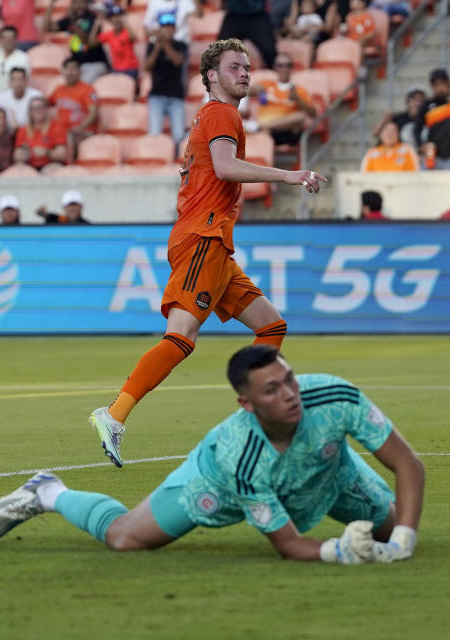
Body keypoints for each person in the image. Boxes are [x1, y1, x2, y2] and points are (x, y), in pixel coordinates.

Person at [87, 38, 327, 468]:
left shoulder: (217, 114)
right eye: (235, 67)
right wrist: (290, 175)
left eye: (247, 67)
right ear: (212, 75)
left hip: (213, 242)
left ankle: (255, 422)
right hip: (203, 237)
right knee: (181, 337)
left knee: (271, 327)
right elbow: (225, 167)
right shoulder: (219, 113)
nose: (245, 73)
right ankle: (114, 414)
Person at [0, 345, 426, 568]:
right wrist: (336, 551)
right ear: (247, 405)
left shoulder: (334, 394)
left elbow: (408, 463)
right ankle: (48, 491)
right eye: (272, 389)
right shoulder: (240, 453)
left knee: (391, 529)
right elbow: (288, 544)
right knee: (125, 538)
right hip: (217, 484)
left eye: (290, 379)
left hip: (330, 473)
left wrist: (405, 538)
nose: (291, 394)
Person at [414, 45, 450, 170]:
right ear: (431, 86)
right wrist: (421, 145)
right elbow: (417, 129)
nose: (439, 87)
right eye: (436, 84)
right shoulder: (427, 105)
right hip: (434, 157)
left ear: (449, 83)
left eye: (442, 83)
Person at [252, 53, 316, 148]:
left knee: (300, 117)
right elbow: (244, 92)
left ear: (292, 68)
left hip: (287, 132)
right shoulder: (266, 84)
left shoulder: (299, 90)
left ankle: (262, 126)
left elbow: (313, 114)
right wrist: (255, 89)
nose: (284, 69)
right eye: (280, 65)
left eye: (288, 65)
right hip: (268, 130)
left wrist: (298, 99)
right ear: (275, 68)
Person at [145, 12, 187, 148]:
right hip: (157, 95)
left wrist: (163, 44)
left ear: (175, 29)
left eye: (170, 27)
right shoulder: (152, 46)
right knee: (154, 134)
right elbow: (147, 67)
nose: (168, 29)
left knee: (179, 136)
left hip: (176, 96)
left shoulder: (181, 45)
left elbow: (177, 61)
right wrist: (157, 48)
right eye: (165, 27)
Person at [45, 0, 108, 84]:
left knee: (81, 85)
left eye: (82, 2)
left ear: (88, 4)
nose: (79, 5)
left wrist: (74, 24)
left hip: (95, 63)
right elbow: (47, 28)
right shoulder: (70, 18)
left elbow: (87, 42)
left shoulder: (93, 18)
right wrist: (51, 5)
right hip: (77, 64)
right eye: (76, 2)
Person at [48, 58, 97, 157]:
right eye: (67, 69)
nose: (70, 72)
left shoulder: (87, 89)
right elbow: (44, 104)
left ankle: (71, 167)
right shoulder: (59, 90)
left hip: (82, 131)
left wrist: (80, 127)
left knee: (69, 137)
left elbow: (94, 113)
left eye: (74, 69)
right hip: (62, 131)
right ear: (62, 71)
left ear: (79, 71)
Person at [219, 0, 277, 69]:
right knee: (220, 51)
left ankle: (275, 77)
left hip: (258, 15)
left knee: (270, 53)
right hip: (234, 16)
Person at [13, 96, 67, 169]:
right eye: (34, 108)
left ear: (46, 109)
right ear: (30, 112)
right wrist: (24, 155)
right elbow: (16, 155)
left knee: (52, 169)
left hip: (50, 164)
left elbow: (63, 154)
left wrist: (46, 152)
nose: (38, 110)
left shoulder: (56, 127)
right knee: (18, 169)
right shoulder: (23, 130)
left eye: (41, 107)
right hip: (29, 165)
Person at [97, 5, 140, 79]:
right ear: (110, 20)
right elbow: (91, 43)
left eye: (119, 16)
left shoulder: (127, 32)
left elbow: (133, 38)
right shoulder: (109, 35)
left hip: (131, 69)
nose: (117, 19)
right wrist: (96, 24)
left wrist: (125, 23)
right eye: (114, 17)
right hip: (116, 69)